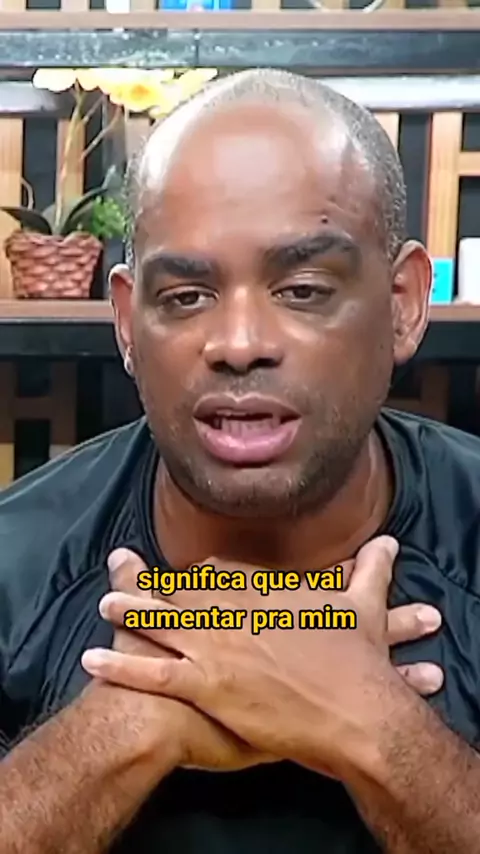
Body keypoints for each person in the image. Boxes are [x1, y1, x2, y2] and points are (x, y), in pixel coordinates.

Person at [1, 66, 480, 854]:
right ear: (127, 322)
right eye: (187, 297)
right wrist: (120, 725)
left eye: (303, 289)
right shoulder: (16, 567)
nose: (239, 343)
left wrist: (384, 735)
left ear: (403, 303)